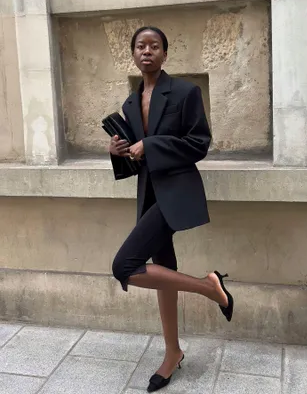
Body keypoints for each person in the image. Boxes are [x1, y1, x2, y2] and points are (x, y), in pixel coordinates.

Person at [109, 26, 234, 393]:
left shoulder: (185, 92)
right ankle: (173, 352)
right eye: (140, 46)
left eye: (155, 46)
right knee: (163, 269)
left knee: (125, 266)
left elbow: (199, 144)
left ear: (165, 53)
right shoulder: (131, 104)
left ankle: (211, 288)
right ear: (132, 53)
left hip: (176, 192)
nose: (147, 51)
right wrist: (119, 153)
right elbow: (135, 160)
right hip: (149, 194)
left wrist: (151, 145)